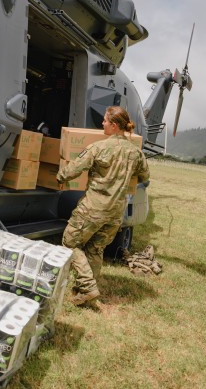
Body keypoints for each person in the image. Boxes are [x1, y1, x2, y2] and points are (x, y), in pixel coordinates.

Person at [56, 106, 150, 307]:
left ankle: (88, 287)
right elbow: (145, 176)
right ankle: (84, 292)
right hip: (116, 213)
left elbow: (73, 169)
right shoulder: (136, 153)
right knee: (96, 248)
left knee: (70, 244)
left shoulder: (98, 148)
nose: (102, 124)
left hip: (93, 209)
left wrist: (59, 177)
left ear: (114, 126)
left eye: (105, 121)